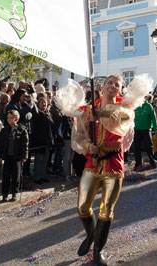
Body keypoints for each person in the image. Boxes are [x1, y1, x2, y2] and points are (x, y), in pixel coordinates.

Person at [59, 74, 144, 265]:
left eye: (117, 84)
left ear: (121, 90)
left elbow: (122, 118)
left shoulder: (126, 109)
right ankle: (91, 235)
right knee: (82, 207)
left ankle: (98, 251)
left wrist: (102, 113)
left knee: (106, 210)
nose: (113, 86)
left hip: (114, 164)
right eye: (109, 83)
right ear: (102, 87)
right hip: (93, 163)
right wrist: (89, 146)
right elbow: (79, 136)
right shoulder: (88, 111)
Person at [0, 110, 28, 202]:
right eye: (8, 118)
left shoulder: (22, 130)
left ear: (16, 119)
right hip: (7, 156)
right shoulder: (4, 130)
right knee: (6, 176)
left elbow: (25, 144)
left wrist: (24, 156)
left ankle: (15, 193)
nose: (9, 120)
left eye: (11, 118)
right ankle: (5, 194)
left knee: (16, 176)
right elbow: (1, 144)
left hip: (17, 157)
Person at [30, 94, 54, 184]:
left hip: (47, 140)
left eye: (45, 102)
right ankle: (37, 177)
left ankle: (43, 175)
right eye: (42, 102)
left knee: (45, 160)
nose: (44, 104)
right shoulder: (36, 114)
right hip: (39, 140)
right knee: (38, 160)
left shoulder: (48, 113)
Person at [133, 95, 157, 169]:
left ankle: (152, 162)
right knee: (136, 148)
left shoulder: (148, 106)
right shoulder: (134, 106)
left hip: (146, 130)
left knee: (148, 147)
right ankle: (138, 164)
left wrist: (156, 129)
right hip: (136, 130)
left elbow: (154, 118)